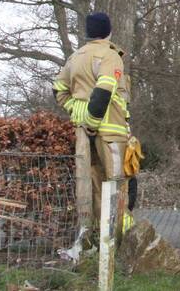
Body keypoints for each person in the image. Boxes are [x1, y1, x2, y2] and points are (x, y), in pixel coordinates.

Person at [52, 12, 132, 234]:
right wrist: (93, 121)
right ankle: (119, 236)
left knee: (95, 182)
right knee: (116, 182)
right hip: (109, 131)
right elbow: (104, 90)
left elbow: (58, 89)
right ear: (109, 31)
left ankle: (99, 233)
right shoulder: (109, 55)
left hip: (84, 134)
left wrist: (75, 109)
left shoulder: (75, 57)